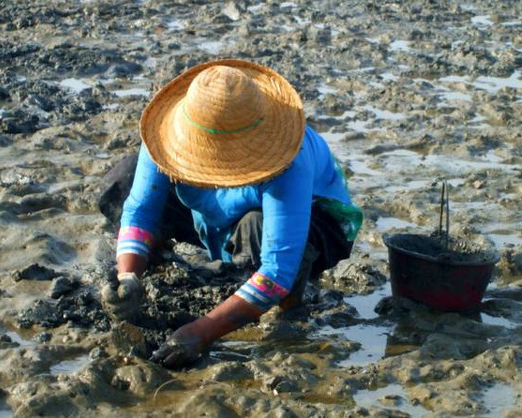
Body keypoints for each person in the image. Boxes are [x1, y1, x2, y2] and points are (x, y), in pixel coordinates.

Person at [99, 59, 363, 369]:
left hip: (312, 222)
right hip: (212, 216)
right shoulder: (167, 134)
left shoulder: (288, 159)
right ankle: (149, 262)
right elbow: (140, 210)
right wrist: (127, 276)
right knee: (122, 180)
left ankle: (290, 308)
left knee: (258, 228)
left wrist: (203, 331)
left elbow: (276, 271)